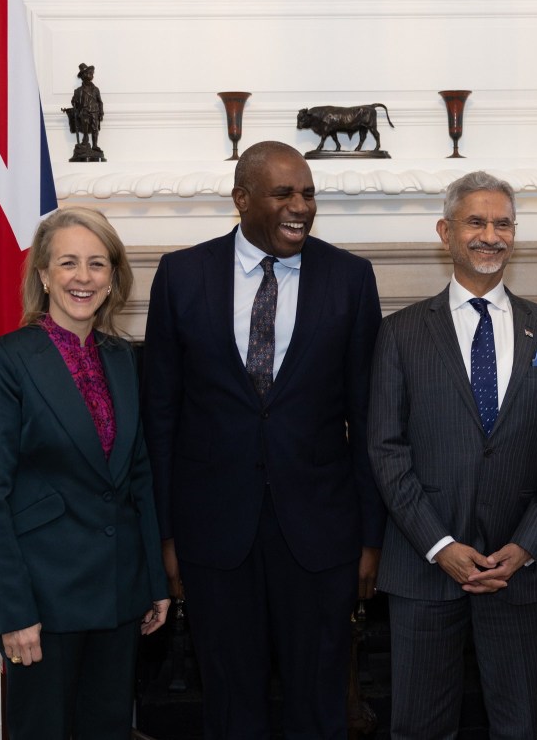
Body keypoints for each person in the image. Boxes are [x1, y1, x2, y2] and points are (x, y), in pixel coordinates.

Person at [142, 140, 386, 739]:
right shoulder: (181, 275)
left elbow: (369, 418)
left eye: (308, 194)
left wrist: (370, 538)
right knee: (230, 706)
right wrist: (165, 535)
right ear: (242, 198)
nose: (300, 206)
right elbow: (160, 416)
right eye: (283, 193)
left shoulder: (350, 278)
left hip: (321, 533)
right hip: (214, 533)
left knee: (320, 705)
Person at [368, 171, 537, 739]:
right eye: (476, 222)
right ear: (446, 232)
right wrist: (439, 546)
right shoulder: (400, 334)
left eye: (503, 224)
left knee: (518, 726)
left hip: (519, 570)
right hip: (423, 566)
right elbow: (386, 449)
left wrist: (527, 545)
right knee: (419, 727)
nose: (491, 235)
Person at [0, 207, 170, 740]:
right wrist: (14, 611)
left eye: (97, 264)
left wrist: (155, 581)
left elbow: (139, 477)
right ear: (43, 274)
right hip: (42, 602)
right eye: (68, 263)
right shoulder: (2, 361)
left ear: (113, 277)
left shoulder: (123, 358)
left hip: (119, 594)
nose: (84, 277)